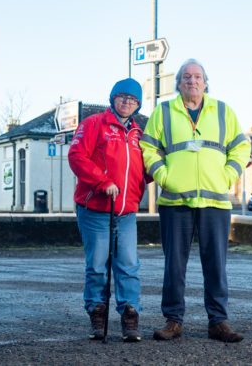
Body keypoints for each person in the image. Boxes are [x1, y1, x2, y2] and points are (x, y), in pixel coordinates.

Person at [140, 59, 252, 342]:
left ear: (205, 82)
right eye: (187, 77)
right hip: (175, 201)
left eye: (197, 76)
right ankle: (173, 321)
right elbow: (148, 147)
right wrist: (164, 176)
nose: (192, 81)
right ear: (178, 83)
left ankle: (218, 322)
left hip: (215, 201)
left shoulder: (223, 110)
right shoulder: (163, 111)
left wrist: (228, 176)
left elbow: (241, 147)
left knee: (216, 265)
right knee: (174, 265)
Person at [68, 78, 148, 342]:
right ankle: (97, 314)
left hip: (126, 212)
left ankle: (129, 317)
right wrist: (103, 182)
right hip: (96, 208)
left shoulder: (138, 133)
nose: (127, 103)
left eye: (133, 100)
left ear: (138, 104)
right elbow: (77, 156)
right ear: (112, 98)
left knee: (128, 265)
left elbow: (142, 170)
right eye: (122, 97)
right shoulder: (93, 124)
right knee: (98, 265)